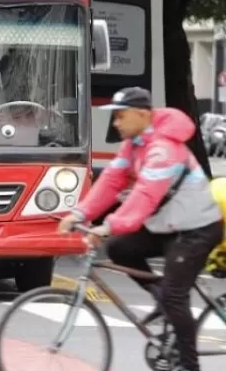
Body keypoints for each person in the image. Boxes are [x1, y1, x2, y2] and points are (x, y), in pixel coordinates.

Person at [57, 86, 223, 371]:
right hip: (168, 225)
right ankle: (163, 301)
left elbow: (143, 197)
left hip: (196, 228)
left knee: (175, 296)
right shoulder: (134, 144)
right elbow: (111, 180)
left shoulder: (164, 149)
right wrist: (80, 213)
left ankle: (187, 364)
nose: (116, 123)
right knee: (121, 249)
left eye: (121, 116)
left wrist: (107, 226)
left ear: (143, 114)